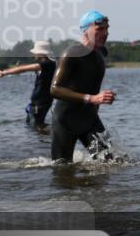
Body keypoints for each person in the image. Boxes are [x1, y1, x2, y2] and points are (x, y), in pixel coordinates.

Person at [50, 10, 116, 162]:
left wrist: (100, 99)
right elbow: (54, 89)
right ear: (85, 31)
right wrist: (92, 98)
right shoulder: (71, 54)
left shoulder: (101, 52)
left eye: (107, 29)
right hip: (66, 120)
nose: (105, 33)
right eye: (99, 29)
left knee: (110, 162)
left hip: (89, 119)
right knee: (62, 168)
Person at [0, 41, 57, 128]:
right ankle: (43, 138)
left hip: (41, 103)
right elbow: (25, 68)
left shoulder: (48, 64)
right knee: (33, 127)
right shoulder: (43, 65)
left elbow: (24, 69)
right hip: (36, 103)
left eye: (35, 53)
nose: (34, 55)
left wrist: (4, 72)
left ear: (41, 53)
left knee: (35, 127)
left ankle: (45, 139)